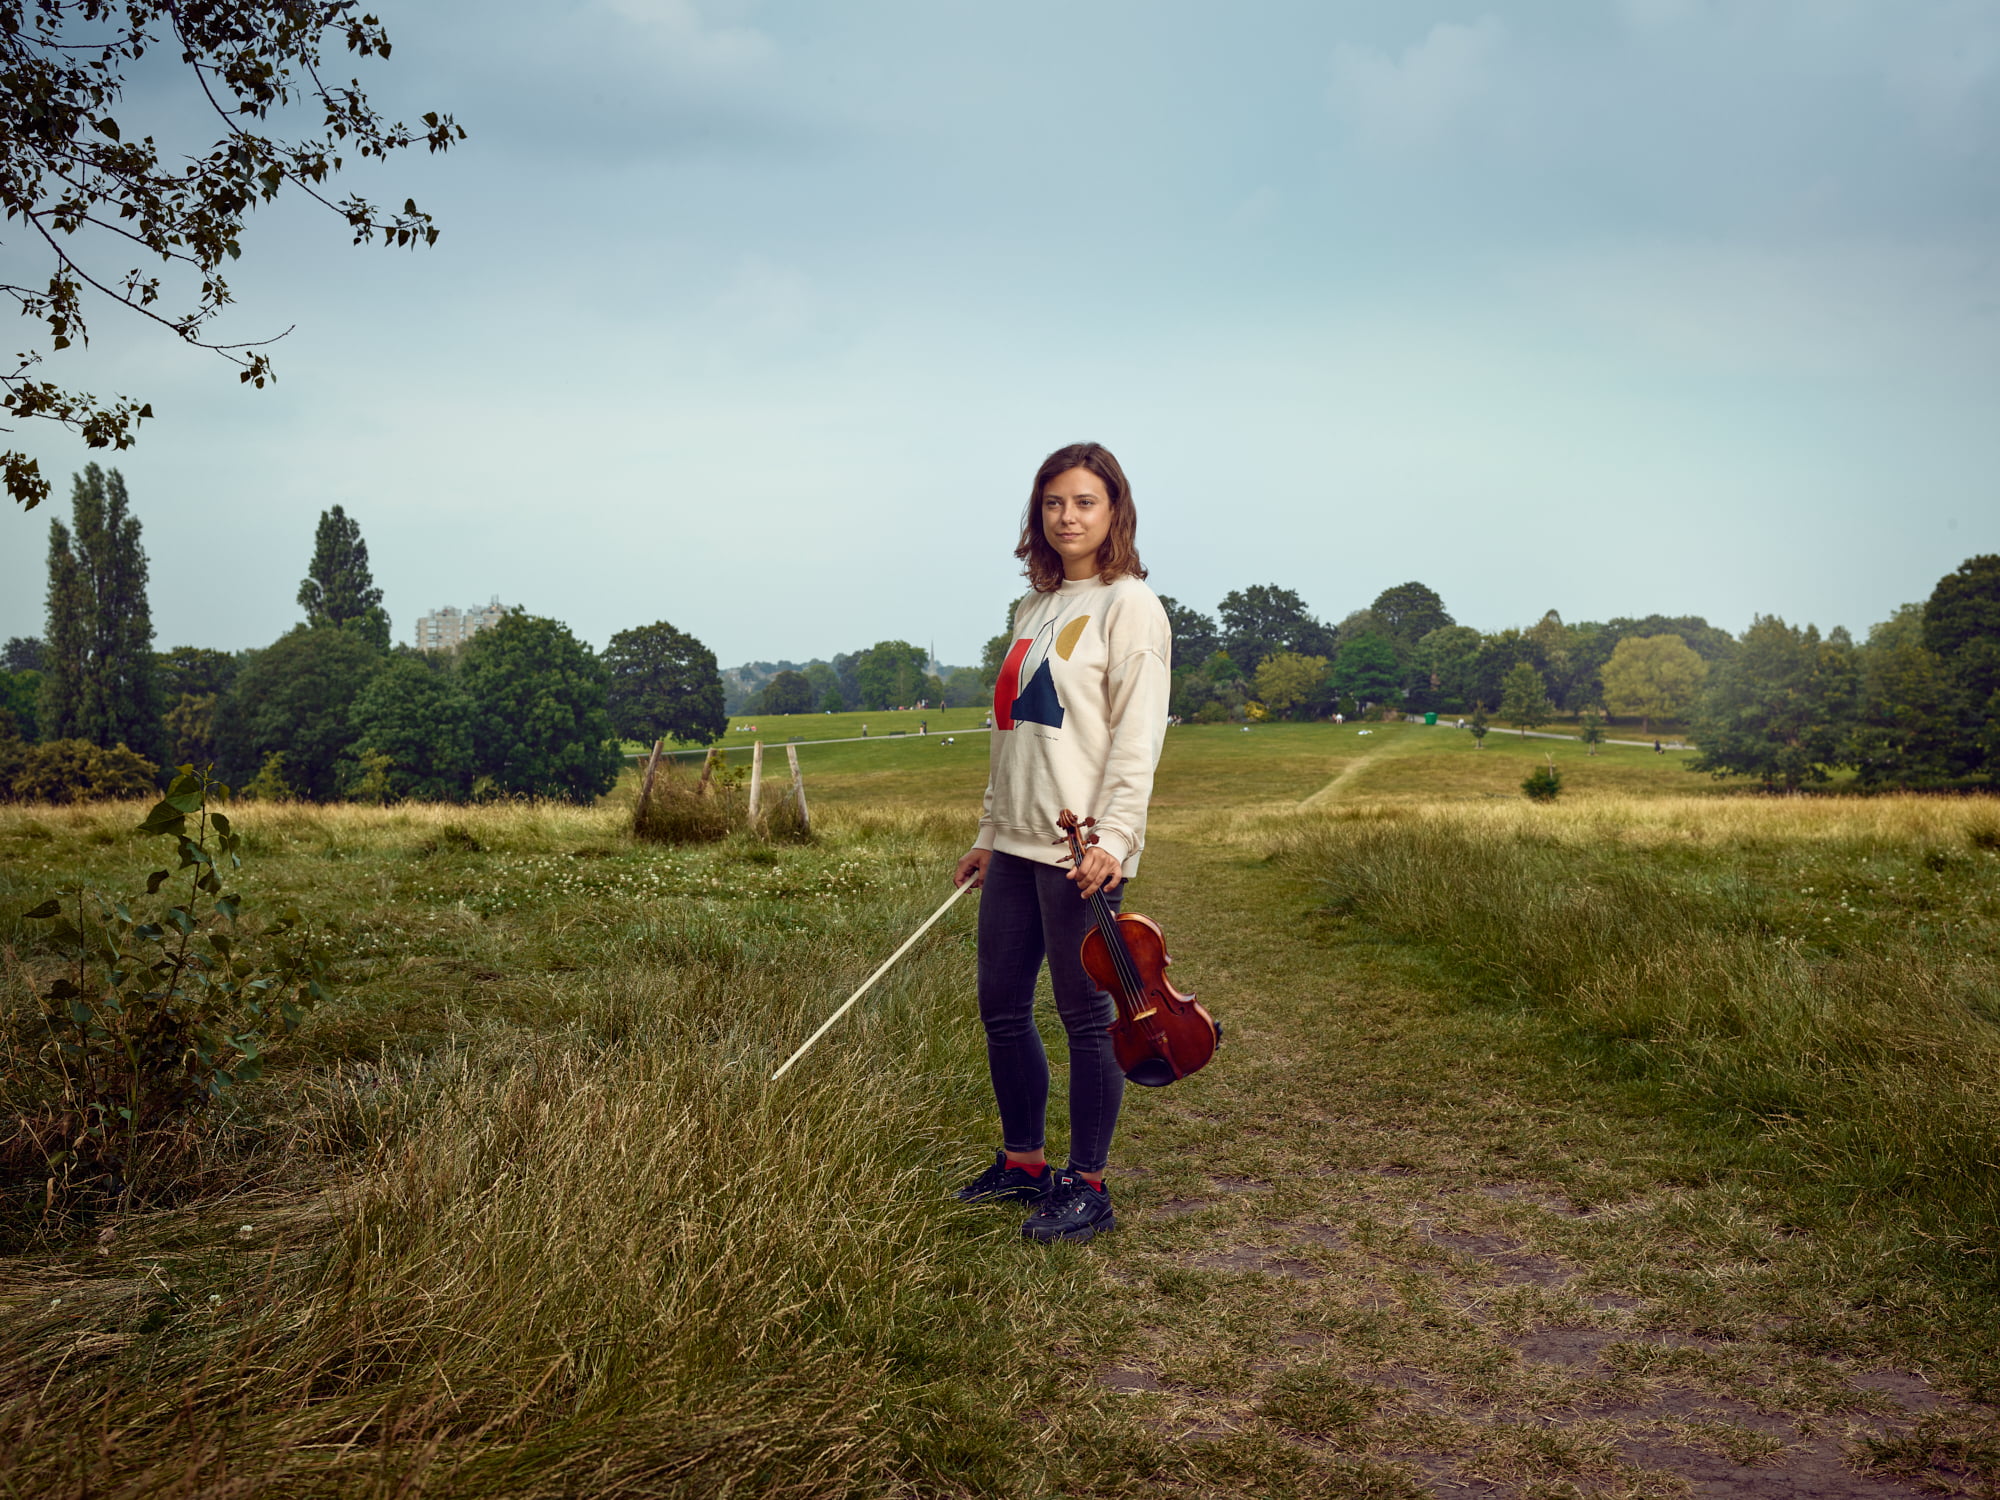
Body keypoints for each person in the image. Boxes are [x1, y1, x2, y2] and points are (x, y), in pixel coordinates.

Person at [951, 441, 1171, 1246]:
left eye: (1084, 501)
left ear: (1114, 511)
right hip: (1016, 843)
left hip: (1082, 852)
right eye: (1053, 503)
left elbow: (1137, 738)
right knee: (1002, 1009)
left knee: (1085, 1018)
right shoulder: (1034, 608)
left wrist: (1115, 837)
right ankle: (1024, 1165)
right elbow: (1012, 737)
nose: (1067, 516)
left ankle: (1088, 1185)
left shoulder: (1131, 606)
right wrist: (988, 833)